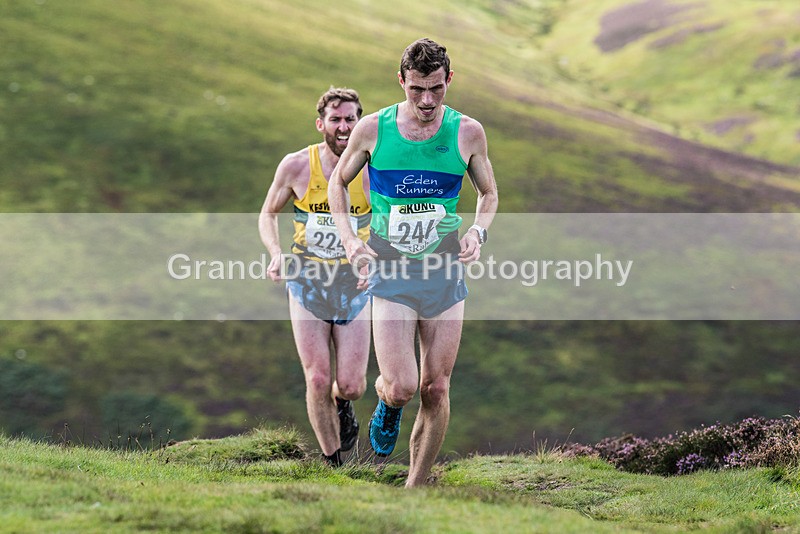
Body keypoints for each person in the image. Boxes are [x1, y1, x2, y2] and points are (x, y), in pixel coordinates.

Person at [328, 38, 498, 487]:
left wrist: (478, 232)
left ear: (449, 81)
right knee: (403, 385)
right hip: (391, 272)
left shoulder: (467, 132)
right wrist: (348, 238)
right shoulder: (372, 128)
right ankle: (388, 403)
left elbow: (489, 193)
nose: (426, 101)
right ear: (400, 80)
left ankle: (415, 489)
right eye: (417, 89)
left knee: (436, 387)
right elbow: (337, 185)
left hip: (444, 273)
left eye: (437, 89)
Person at [258, 87, 372, 467]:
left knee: (352, 385)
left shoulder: (375, 168)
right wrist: (276, 254)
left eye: (350, 119)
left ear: (360, 122)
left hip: (353, 284)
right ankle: (332, 463)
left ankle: (343, 406)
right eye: (336, 119)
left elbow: (391, 220)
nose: (343, 127)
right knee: (317, 378)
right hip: (307, 280)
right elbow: (267, 213)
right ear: (321, 123)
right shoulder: (296, 165)